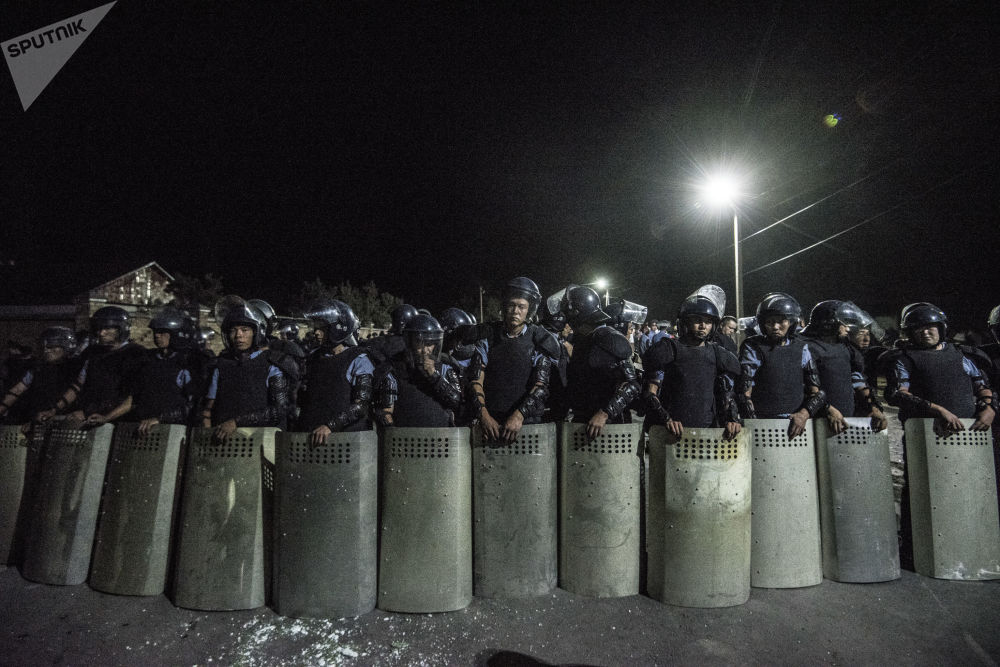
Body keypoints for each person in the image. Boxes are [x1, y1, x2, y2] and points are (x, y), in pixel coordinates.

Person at [883, 302, 995, 567]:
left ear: (941, 328)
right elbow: (899, 393)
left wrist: (989, 408)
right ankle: (913, 548)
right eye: (918, 329)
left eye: (930, 327)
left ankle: (968, 546)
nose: (925, 333)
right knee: (921, 493)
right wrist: (936, 410)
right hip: (926, 436)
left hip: (969, 436)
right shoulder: (904, 358)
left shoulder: (961, 355)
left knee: (968, 491)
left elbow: (982, 385)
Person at [468, 277, 559, 443]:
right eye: (512, 305)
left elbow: (541, 386)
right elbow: (475, 380)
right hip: (491, 425)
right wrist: (484, 416)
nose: (515, 311)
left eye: (521, 306)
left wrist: (519, 416)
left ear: (529, 309)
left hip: (527, 425)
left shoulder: (539, 340)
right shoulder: (488, 337)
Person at [641, 293, 742, 440]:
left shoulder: (717, 353)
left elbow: (727, 392)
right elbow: (651, 392)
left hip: (708, 430)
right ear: (686, 323)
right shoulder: (669, 349)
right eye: (697, 320)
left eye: (708, 322)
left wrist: (731, 418)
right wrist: (666, 419)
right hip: (672, 431)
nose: (703, 326)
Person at [38, 306, 145, 428]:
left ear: (121, 328)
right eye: (99, 329)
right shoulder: (93, 353)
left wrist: (99, 414)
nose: (101, 333)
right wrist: (54, 410)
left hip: (118, 422)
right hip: (90, 418)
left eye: (106, 328)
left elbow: (130, 396)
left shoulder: (137, 354)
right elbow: (78, 386)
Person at [736, 293, 826, 438]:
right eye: (770, 322)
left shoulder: (801, 348)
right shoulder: (753, 346)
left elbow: (817, 393)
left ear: (791, 322)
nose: (775, 327)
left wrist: (803, 414)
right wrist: (755, 426)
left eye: (781, 321)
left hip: (797, 425)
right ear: (763, 324)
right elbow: (744, 393)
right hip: (763, 424)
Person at [100, 306, 202, 433]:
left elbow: (194, 405)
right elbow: (134, 398)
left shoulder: (190, 362)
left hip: (173, 432)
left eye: (163, 332)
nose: (157, 336)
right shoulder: (148, 360)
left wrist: (160, 419)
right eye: (155, 332)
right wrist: (106, 418)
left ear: (176, 334)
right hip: (142, 429)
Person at [201, 299, 293, 439]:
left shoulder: (272, 365)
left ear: (256, 332)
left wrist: (236, 422)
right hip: (221, 444)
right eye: (233, 330)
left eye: (245, 330)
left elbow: (279, 410)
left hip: (259, 443)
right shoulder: (220, 366)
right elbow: (207, 411)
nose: (238, 335)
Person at [561, 287, 641, 438]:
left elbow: (632, 385)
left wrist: (605, 413)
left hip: (611, 426)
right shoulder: (583, 340)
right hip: (583, 422)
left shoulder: (609, 337)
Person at [800, 300, 887, 434]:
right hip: (816, 422)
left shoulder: (845, 346)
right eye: (843, 324)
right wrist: (827, 409)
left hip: (845, 419)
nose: (847, 328)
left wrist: (872, 407)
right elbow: (803, 386)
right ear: (828, 323)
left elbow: (856, 377)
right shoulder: (806, 347)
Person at [297, 299, 374, 445]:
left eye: (322, 328)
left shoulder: (359, 359)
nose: (316, 333)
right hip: (311, 438)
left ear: (339, 328)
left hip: (345, 441)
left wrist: (330, 425)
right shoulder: (313, 358)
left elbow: (361, 406)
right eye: (316, 327)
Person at [373, 314, 464, 427]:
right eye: (419, 343)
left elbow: (459, 404)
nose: (425, 350)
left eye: (429, 344)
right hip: (406, 439)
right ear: (410, 342)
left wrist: (434, 376)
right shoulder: (395, 369)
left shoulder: (445, 368)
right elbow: (385, 412)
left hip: (442, 438)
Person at [0, 327, 82, 426]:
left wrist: (54, 410)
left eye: (52, 346)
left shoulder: (77, 368)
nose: (47, 350)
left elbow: (77, 389)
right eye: (45, 347)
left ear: (66, 346)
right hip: (41, 420)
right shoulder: (38, 368)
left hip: (68, 422)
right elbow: (18, 389)